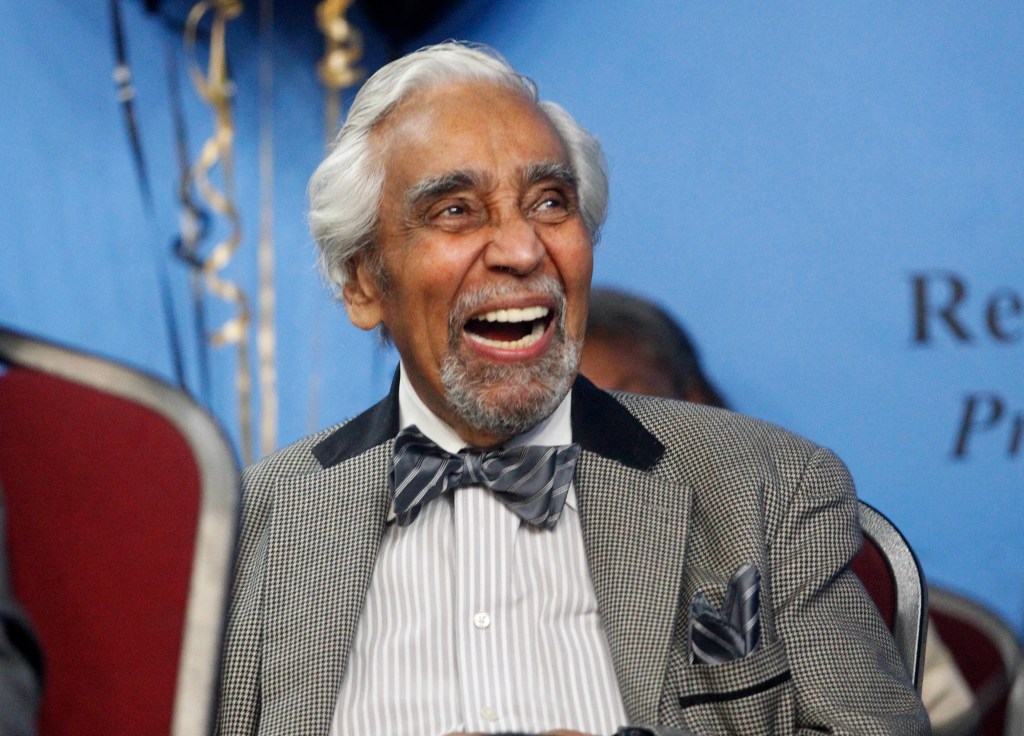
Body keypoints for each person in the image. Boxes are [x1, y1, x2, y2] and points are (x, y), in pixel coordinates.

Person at [215, 41, 928, 735]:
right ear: (364, 283)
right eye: (456, 210)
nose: (523, 250)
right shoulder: (247, 534)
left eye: (550, 203)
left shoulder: (770, 490)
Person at [581, 287, 978, 736]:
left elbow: (920, 717)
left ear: (694, 404)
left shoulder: (792, 528)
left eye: (629, 404)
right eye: (573, 418)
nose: (597, 439)